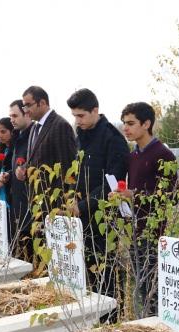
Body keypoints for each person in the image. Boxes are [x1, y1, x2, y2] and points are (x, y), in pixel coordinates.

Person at [111, 101, 177, 318]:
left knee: (153, 285)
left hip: (153, 231)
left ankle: (159, 325)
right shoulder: (134, 155)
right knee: (141, 283)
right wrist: (120, 196)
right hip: (134, 228)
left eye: (131, 123)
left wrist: (134, 195)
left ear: (146, 123)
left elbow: (171, 197)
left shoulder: (163, 155)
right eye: (124, 123)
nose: (125, 128)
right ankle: (148, 323)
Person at [67, 88, 129, 301]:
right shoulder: (80, 137)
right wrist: (72, 196)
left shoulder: (113, 139)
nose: (77, 120)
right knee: (85, 268)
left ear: (95, 110)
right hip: (80, 215)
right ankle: (93, 312)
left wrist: (82, 205)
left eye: (81, 115)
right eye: (74, 116)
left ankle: (110, 316)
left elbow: (112, 183)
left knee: (105, 270)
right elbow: (76, 172)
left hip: (103, 216)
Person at [17, 86, 77, 184]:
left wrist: (63, 198)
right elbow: (37, 161)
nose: (25, 110)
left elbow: (68, 169)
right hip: (36, 197)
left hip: (54, 197)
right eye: (24, 106)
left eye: (28, 105)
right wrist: (23, 170)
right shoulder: (34, 127)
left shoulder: (60, 126)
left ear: (42, 103)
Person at [5, 99, 33, 261]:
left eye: (15, 115)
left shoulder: (35, 135)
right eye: (10, 117)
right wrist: (8, 174)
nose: (12, 120)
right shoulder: (18, 136)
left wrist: (27, 171)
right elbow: (15, 165)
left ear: (26, 114)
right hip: (18, 202)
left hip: (30, 202)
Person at [0, 117, 15, 206]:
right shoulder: (4, 150)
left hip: (12, 194)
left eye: (3, 132)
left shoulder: (16, 151)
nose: (0, 135)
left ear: (12, 131)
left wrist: (2, 181)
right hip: (2, 194)